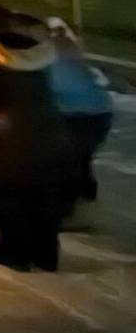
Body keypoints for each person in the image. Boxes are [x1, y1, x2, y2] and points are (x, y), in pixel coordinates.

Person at [0, 15, 67, 272]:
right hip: (52, 136)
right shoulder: (43, 69)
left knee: (13, 197)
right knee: (45, 197)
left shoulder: (4, 73)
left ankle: (14, 253)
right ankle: (46, 256)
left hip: (17, 142)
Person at [45, 17, 113, 204]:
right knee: (80, 156)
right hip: (100, 112)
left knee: (72, 157)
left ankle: (70, 199)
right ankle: (84, 191)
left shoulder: (50, 58)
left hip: (77, 114)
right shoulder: (74, 54)